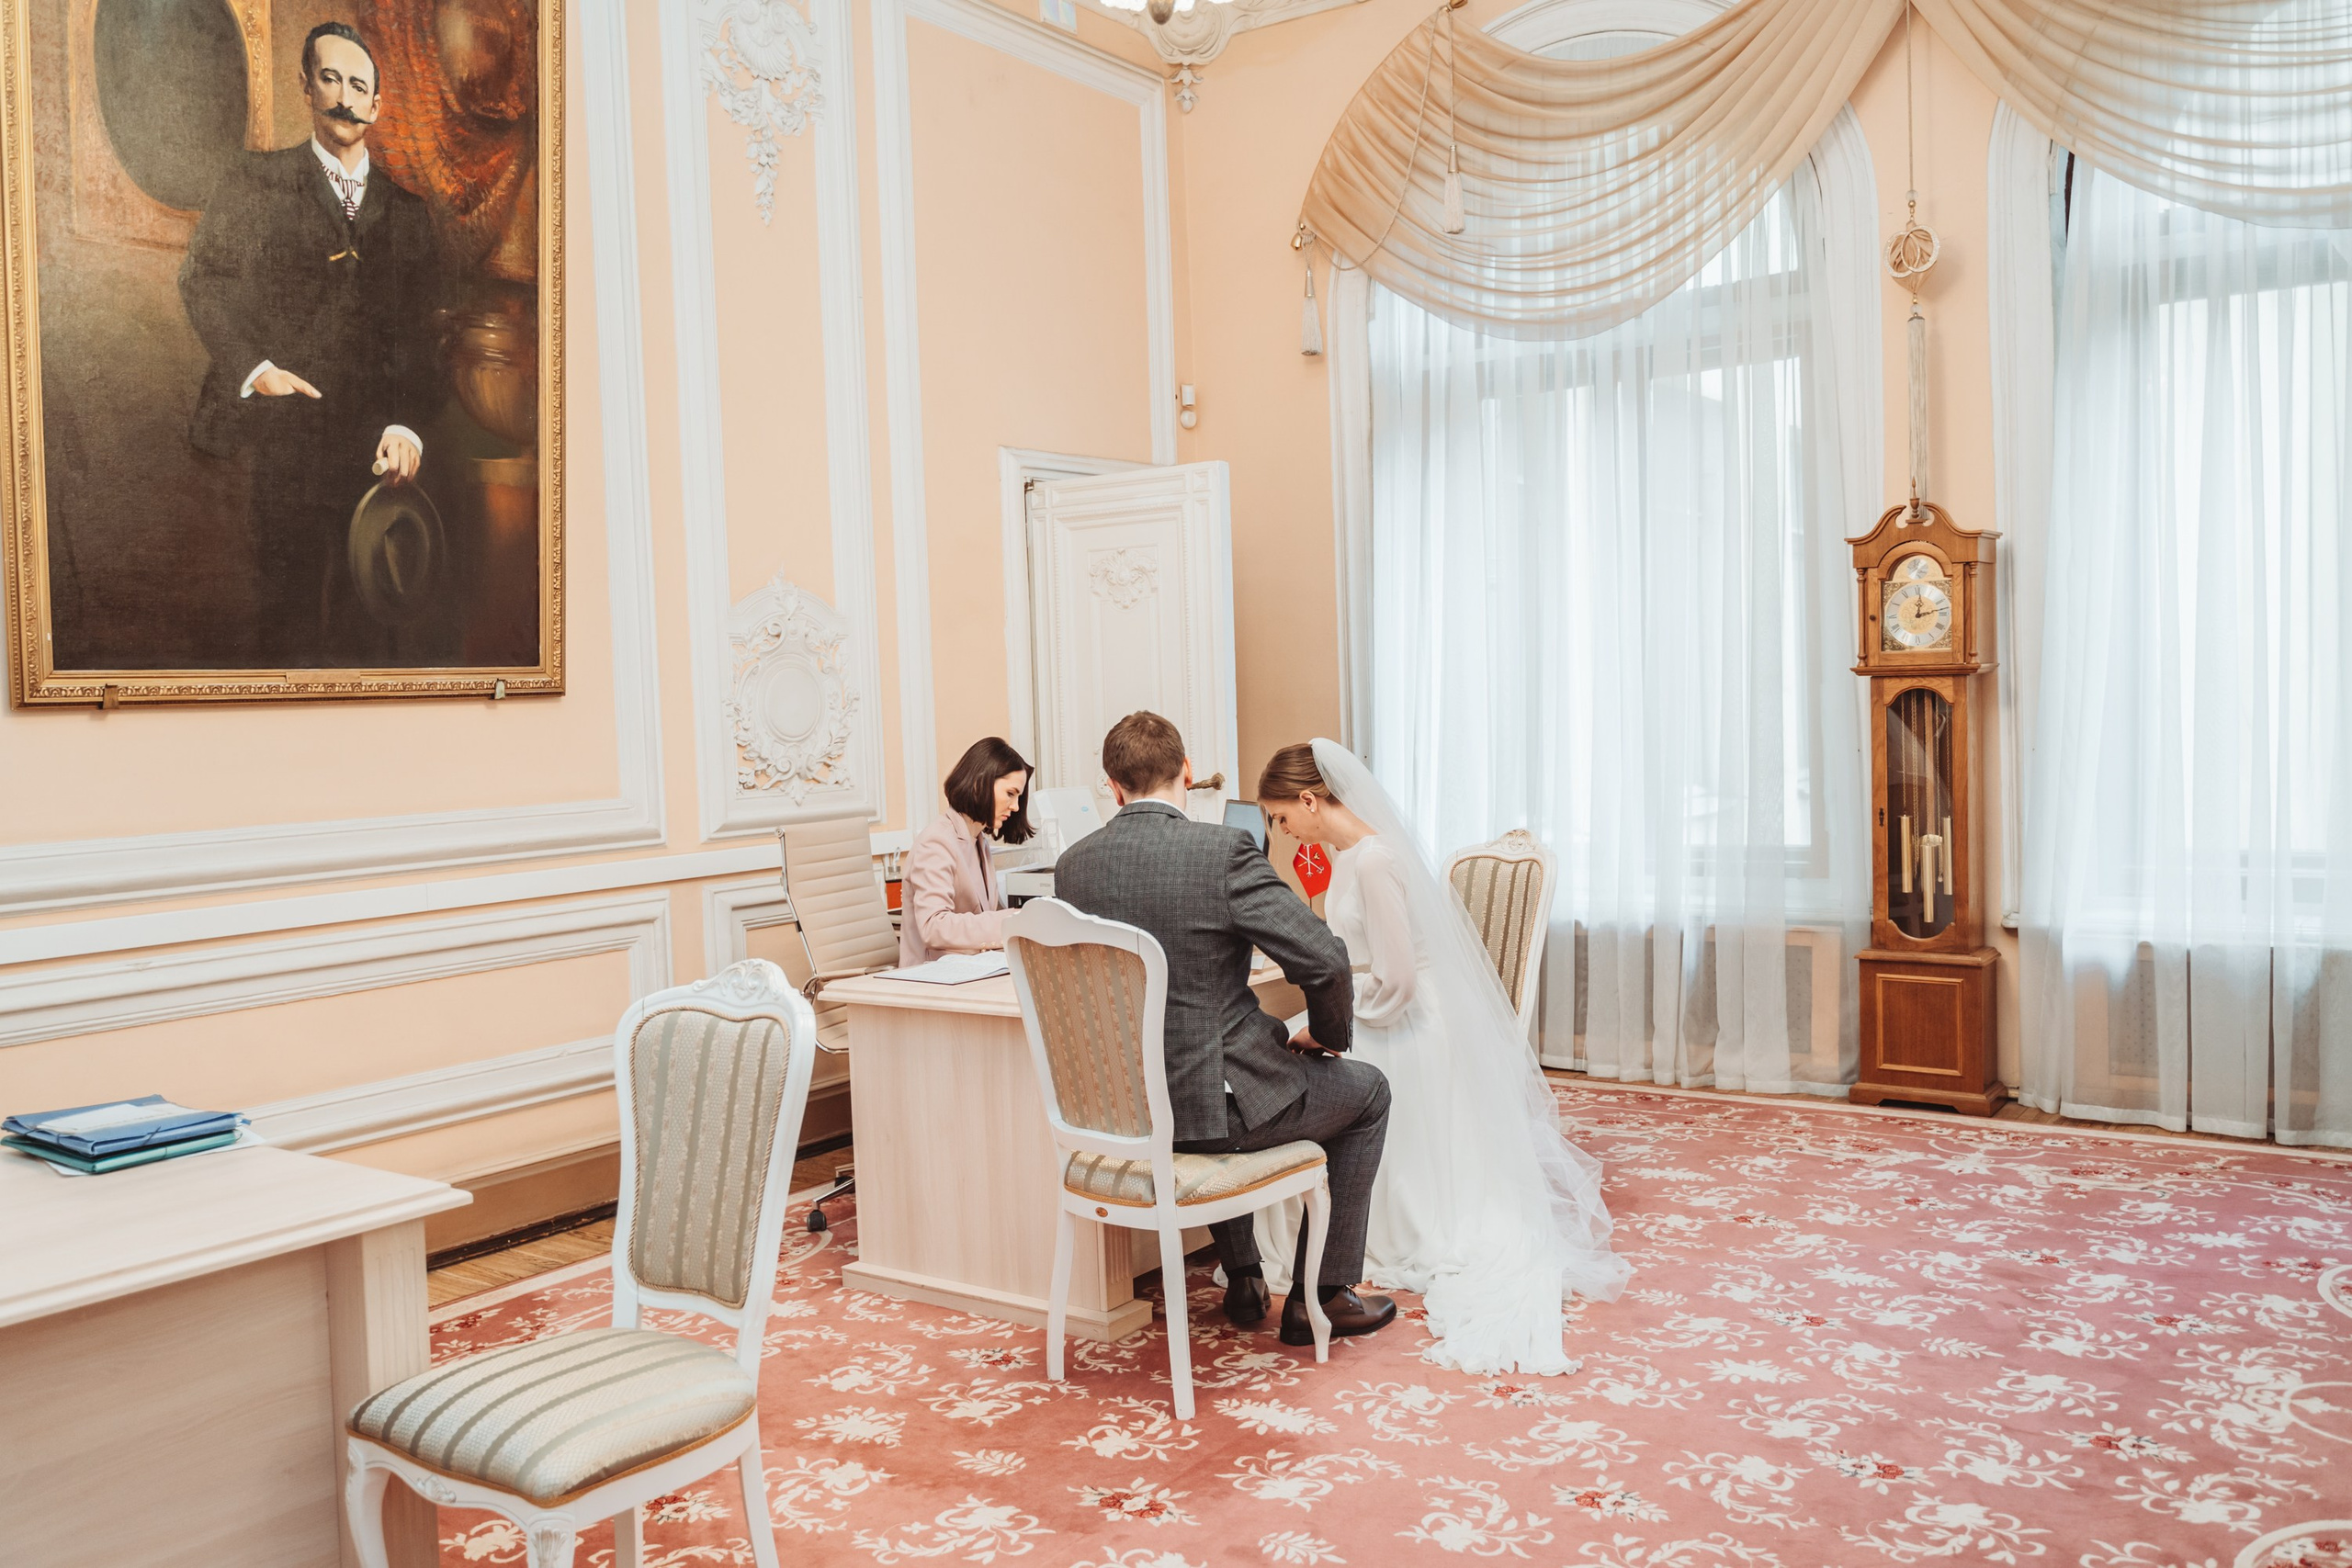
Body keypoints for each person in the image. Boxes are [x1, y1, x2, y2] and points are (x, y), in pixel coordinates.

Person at [1251, 739, 1629, 1375]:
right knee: (1281, 1048)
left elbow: (1397, 978)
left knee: (1286, 1062)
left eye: (1281, 817)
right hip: (1381, 1006)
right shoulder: (1351, 856)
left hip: (1405, 1020)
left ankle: (1325, 1234)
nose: (1282, 832)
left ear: (1310, 800)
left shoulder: (1373, 862)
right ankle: (1324, 1231)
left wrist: (1327, 1029)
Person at [1053, 712, 1396, 1348]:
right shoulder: (1221, 851)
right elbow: (1324, 959)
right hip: (1216, 1112)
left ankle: (1243, 1275)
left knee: (1212, 1085)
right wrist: (1327, 1036)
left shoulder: (1072, 867)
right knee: (1368, 1091)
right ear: (1187, 770)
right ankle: (1320, 1295)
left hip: (1121, 1115)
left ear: (1112, 785)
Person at [179, 20, 449, 667]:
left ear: (378, 106)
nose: (344, 98)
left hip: (375, 456)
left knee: (372, 631)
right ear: (307, 87)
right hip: (285, 444)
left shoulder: (410, 214)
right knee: (287, 620)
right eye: (330, 79)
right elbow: (203, 282)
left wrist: (406, 426)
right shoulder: (254, 183)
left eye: (359, 86)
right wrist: (257, 368)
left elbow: (423, 333)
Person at [900, 737, 1034, 968]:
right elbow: (934, 926)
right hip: (932, 978)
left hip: (967, 971)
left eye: (1019, 797)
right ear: (979, 783)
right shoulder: (937, 841)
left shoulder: (978, 840)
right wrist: (1012, 921)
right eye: (1011, 793)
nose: (1015, 807)